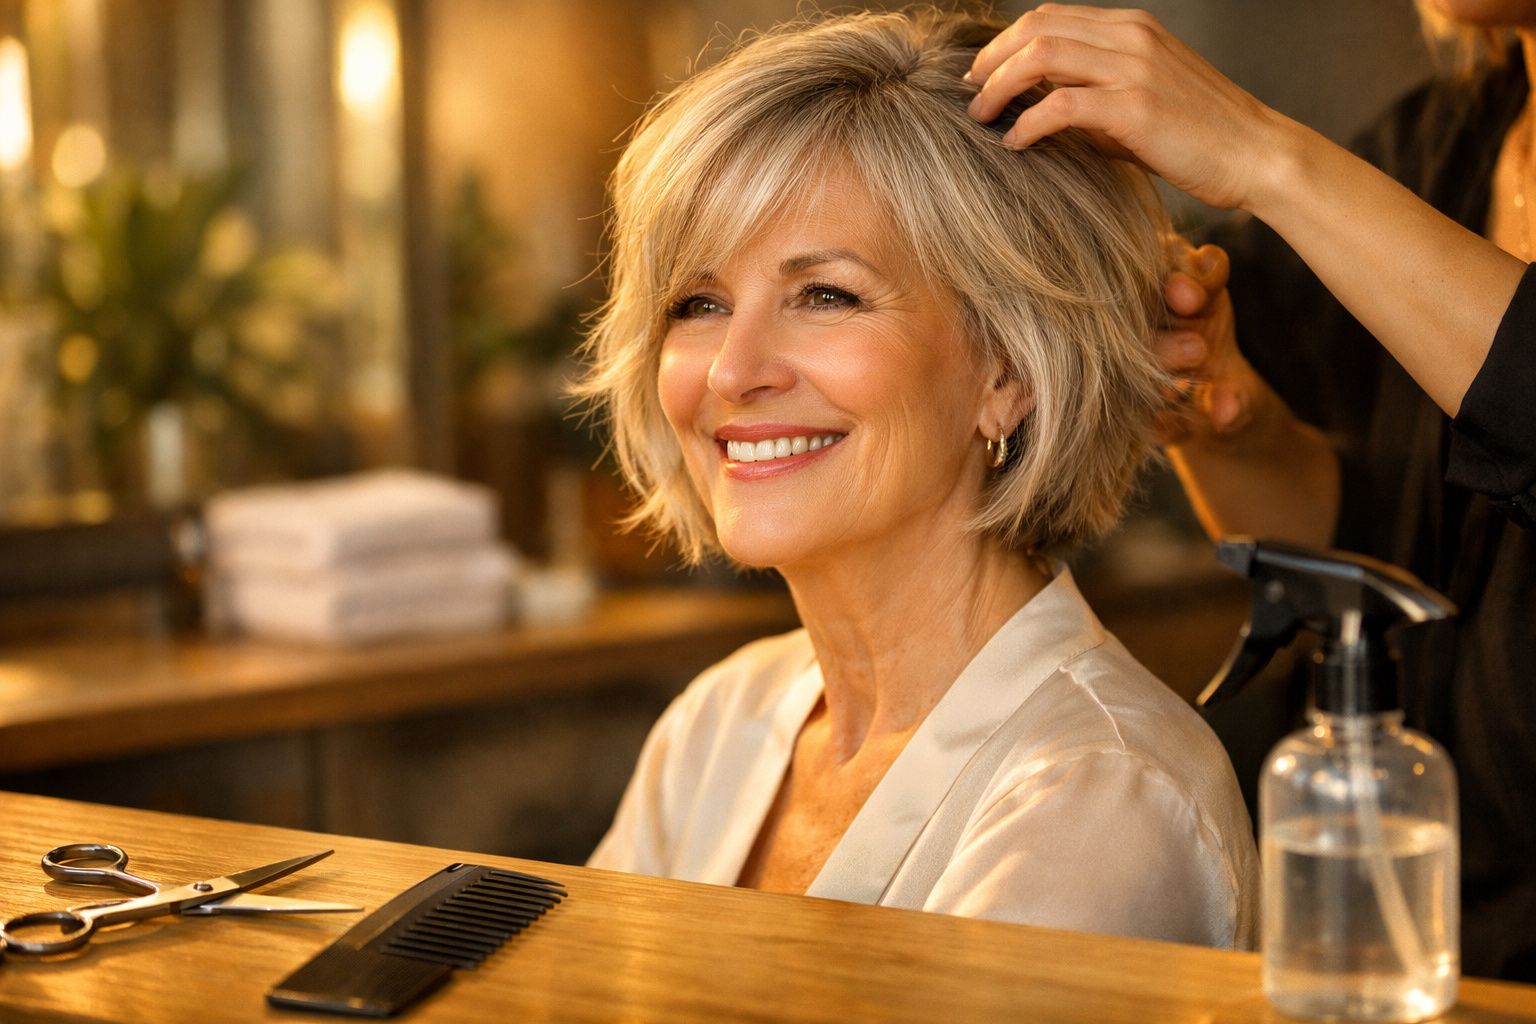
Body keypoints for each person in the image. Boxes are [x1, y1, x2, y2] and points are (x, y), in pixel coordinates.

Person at [577, 9, 1258, 949]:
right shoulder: (719, 724)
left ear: (1008, 371)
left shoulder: (1103, 797)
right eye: (698, 303)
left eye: (826, 295)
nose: (733, 371)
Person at [965, 2, 1536, 980]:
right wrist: (1229, 427)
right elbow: (1384, 568)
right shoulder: (1440, 144)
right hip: (1424, 955)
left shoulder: (1329, 176)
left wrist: (1263, 154)